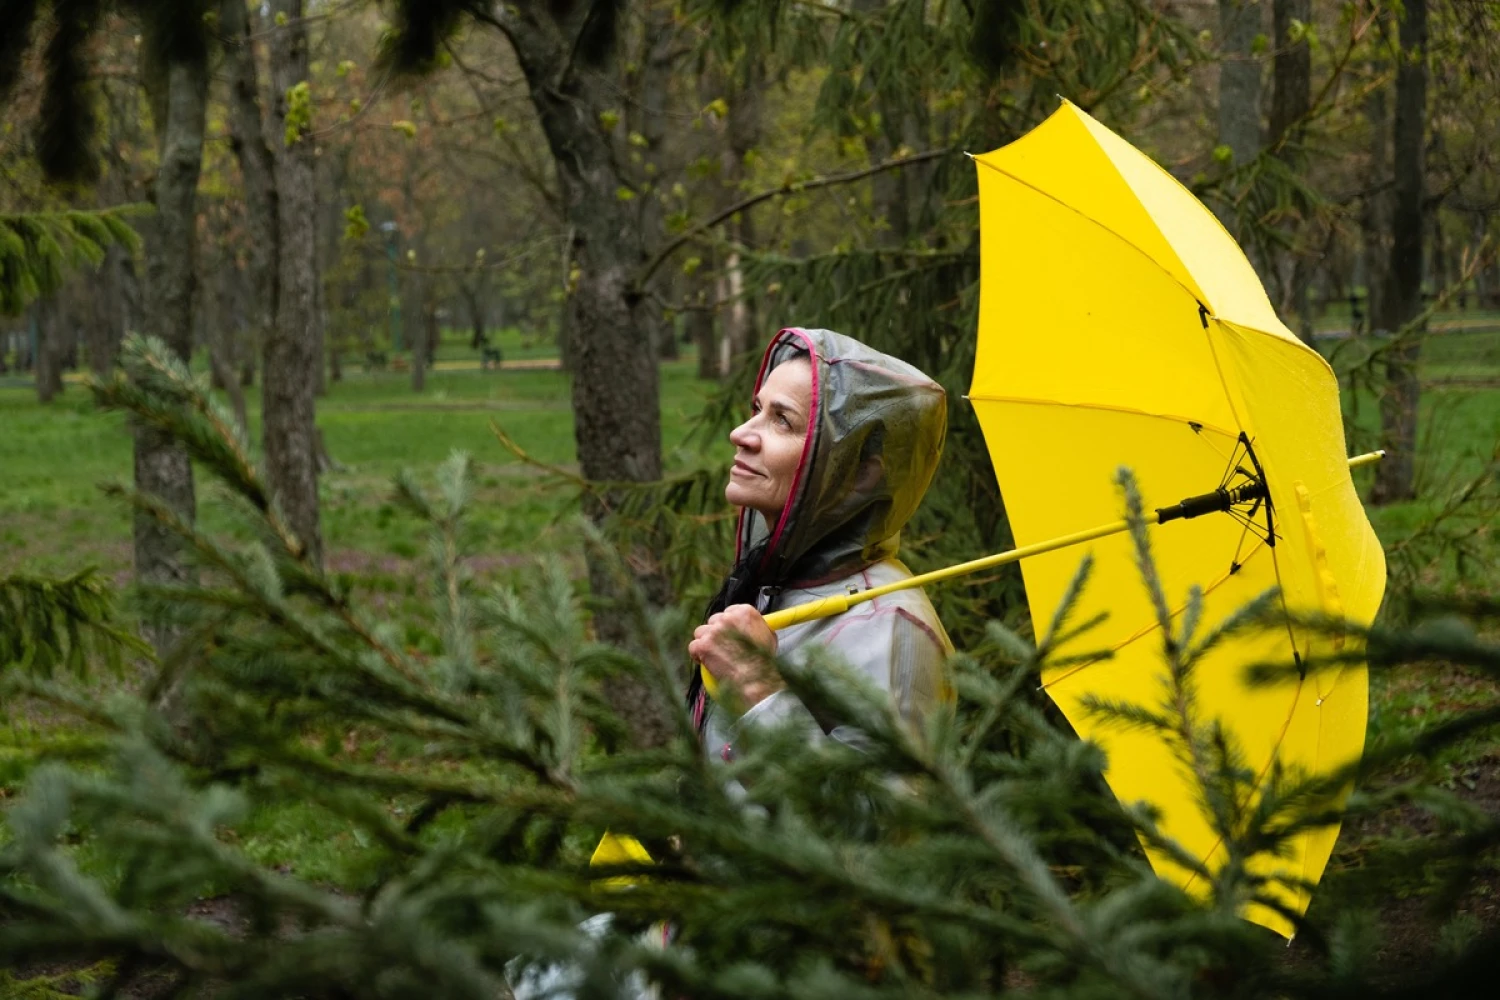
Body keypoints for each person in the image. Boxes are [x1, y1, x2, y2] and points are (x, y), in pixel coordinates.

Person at [686, 327, 953, 759]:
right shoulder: (781, 582)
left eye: (782, 421)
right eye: (757, 409)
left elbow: (884, 819)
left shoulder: (892, 627)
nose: (741, 433)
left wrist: (760, 691)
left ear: (860, 473)